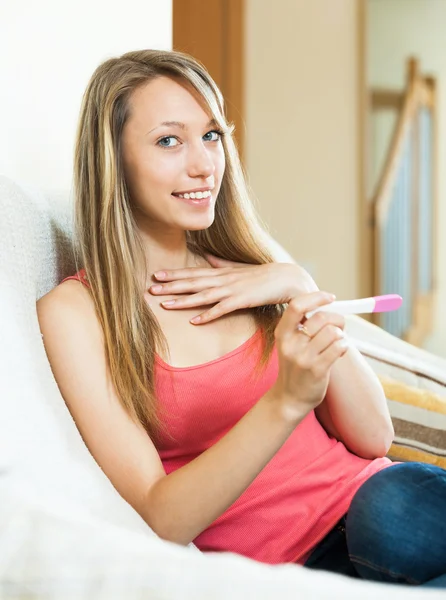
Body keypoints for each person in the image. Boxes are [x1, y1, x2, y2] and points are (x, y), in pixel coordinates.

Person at [36, 49, 446, 587]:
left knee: (392, 508)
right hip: (304, 562)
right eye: (169, 140)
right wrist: (286, 401)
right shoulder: (77, 313)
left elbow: (374, 437)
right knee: (391, 518)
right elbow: (163, 518)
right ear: (114, 160)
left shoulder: (253, 272)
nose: (205, 164)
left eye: (211, 135)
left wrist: (299, 284)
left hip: (389, 506)